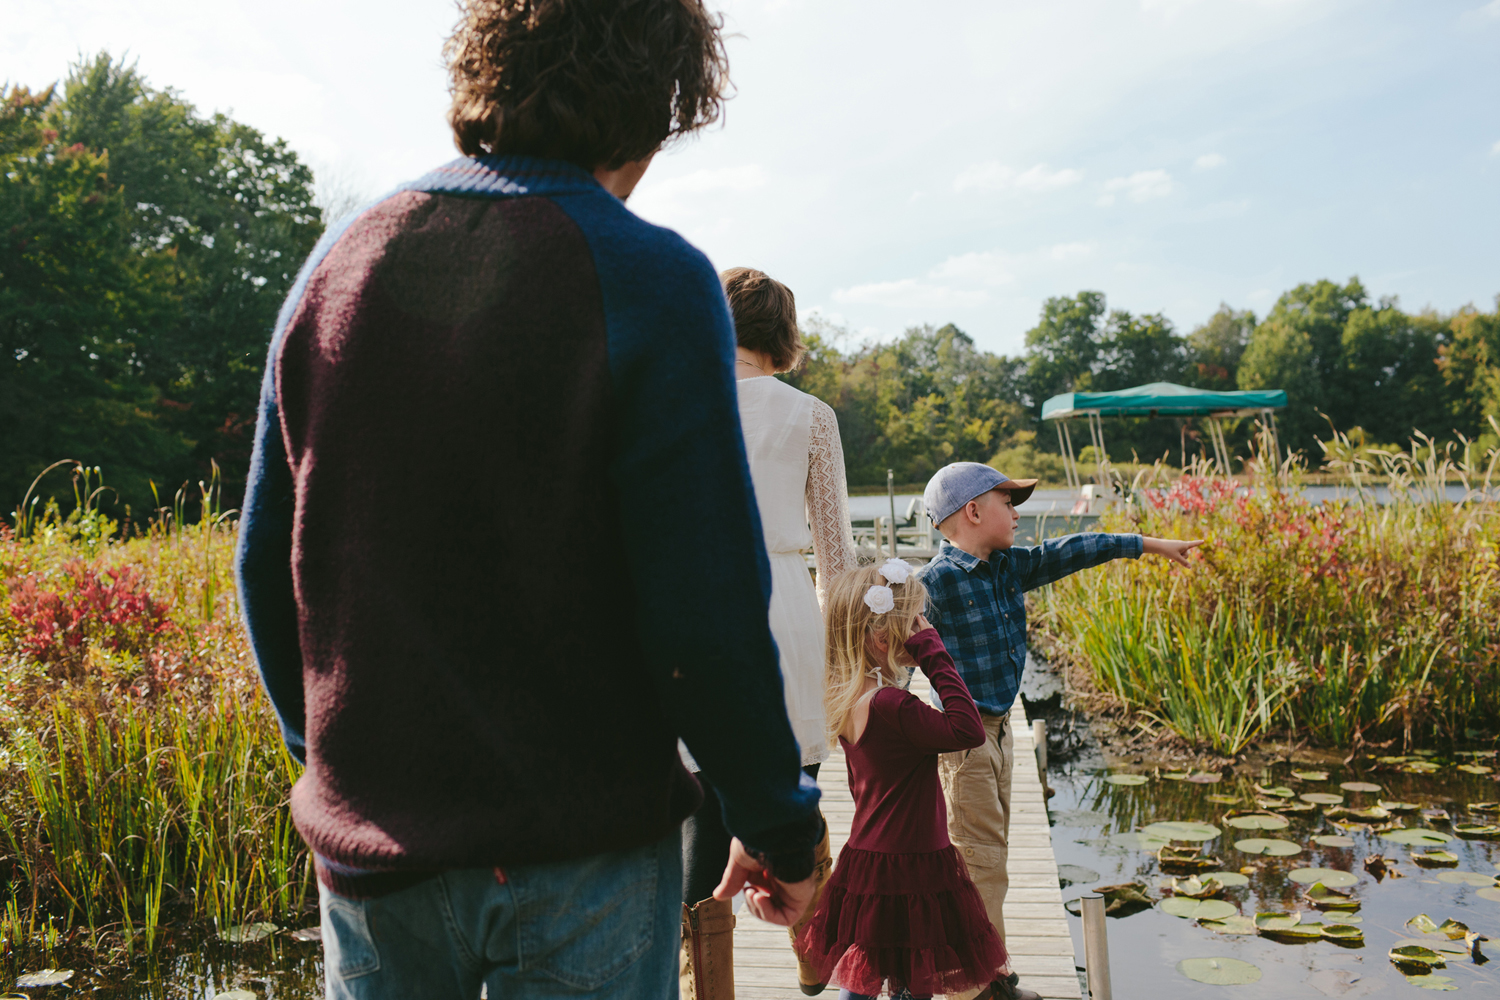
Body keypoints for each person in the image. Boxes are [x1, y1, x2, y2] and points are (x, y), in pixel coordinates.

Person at [233, 3, 822, 997]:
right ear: (657, 102)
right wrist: (778, 823)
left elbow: (268, 566)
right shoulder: (653, 278)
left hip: (373, 860)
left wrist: (335, 765)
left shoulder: (335, 264)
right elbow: (703, 610)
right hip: (579, 856)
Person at [915, 463, 1203, 1000]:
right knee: (977, 861)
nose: (1019, 513)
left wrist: (1149, 544)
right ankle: (969, 986)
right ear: (973, 512)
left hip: (998, 732)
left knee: (990, 854)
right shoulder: (933, 584)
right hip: (962, 740)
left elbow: (1075, 549)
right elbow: (884, 648)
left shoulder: (1008, 567)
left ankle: (986, 972)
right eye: (1009, 502)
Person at [677, 268, 858, 997]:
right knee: (793, 793)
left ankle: (704, 983)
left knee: (699, 817)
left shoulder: (677, 407)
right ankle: (812, 935)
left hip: (694, 614)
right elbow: (838, 557)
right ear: (782, 336)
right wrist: (853, 660)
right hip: (785, 608)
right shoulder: (810, 416)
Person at [794, 560, 1011, 1000]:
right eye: (915, 621)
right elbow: (968, 729)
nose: (924, 626)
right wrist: (933, 651)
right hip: (913, 864)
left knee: (868, 972)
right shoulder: (894, 706)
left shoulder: (855, 699)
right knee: (911, 978)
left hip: (870, 858)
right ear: (881, 638)